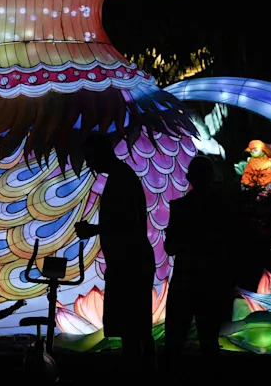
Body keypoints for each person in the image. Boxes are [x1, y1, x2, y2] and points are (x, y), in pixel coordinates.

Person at [75, 132, 156, 374]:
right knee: (137, 328)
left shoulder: (120, 179)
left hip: (129, 264)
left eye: (90, 157)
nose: (89, 164)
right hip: (130, 262)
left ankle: (138, 372)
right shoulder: (122, 176)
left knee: (133, 328)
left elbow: (127, 223)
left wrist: (94, 229)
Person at [163, 155, 235, 369]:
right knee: (209, 342)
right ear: (212, 177)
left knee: (174, 342)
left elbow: (170, 248)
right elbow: (228, 246)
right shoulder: (222, 208)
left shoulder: (180, 207)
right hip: (212, 281)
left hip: (185, 280)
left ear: (189, 177)